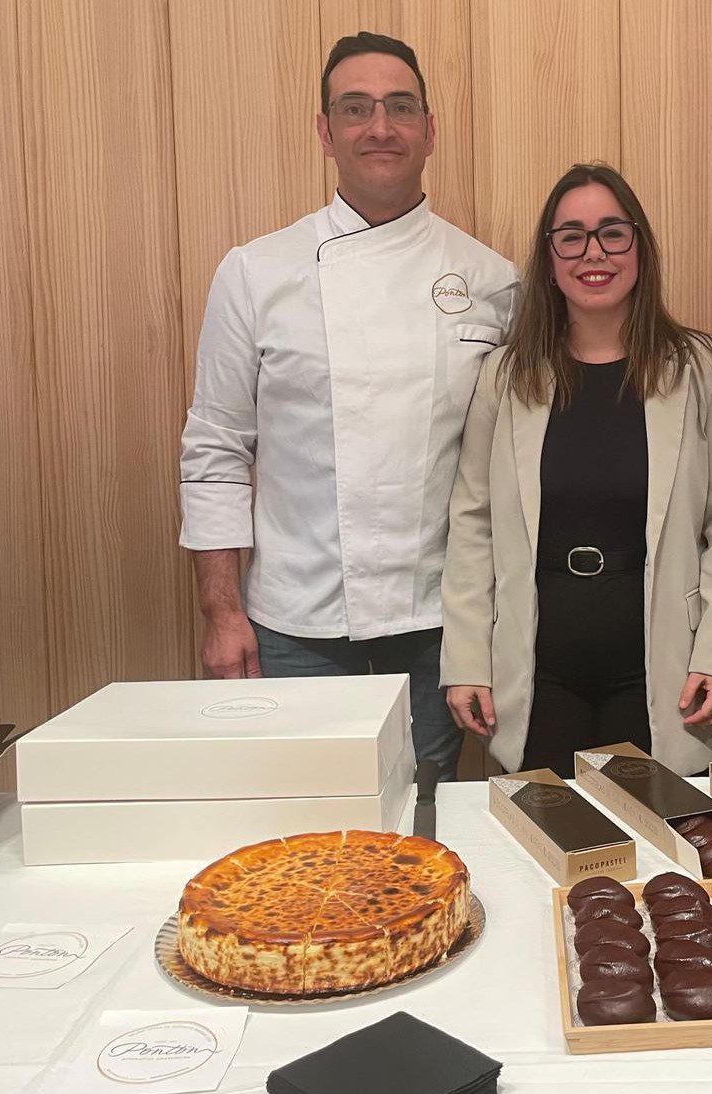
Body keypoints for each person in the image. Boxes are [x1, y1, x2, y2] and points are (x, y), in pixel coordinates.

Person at [179, 32, 518, 781]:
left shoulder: (491, 281)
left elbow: (512, 465)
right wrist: (222, 613)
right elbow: (215, 449)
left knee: (419, 816)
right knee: (303, 821)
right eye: (356, 109)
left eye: (401, 108)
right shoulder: (255, 272)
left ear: (430, 130)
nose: (381, 127)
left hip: (437, 622)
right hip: (294, 618)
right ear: (326, 132)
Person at [441, 164, 712, 777]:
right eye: (572, 236)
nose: (594, 253)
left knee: (657, 861)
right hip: (536, 674)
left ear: (640, 247)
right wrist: (467, 660)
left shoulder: (701, 367)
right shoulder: (504, 377)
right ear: (550, 255)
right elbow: (472, 522)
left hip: (664, 669)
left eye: (613, 233)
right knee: (544, 857)